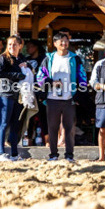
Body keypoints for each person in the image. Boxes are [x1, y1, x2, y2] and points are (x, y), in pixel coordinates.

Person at [37, 31, 88, 163]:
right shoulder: (48, 58)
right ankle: (53, 154)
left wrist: (79, 95)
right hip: (52, 98)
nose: (64, 43)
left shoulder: (74, 58)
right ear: (55, 44)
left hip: (69, 98)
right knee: (52, 127)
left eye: (66, 41)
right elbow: (40, 76)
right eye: (61, 41)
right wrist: (49, 83)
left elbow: (82, 76)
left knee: (69, 128)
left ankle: (69, 155)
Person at [0, 34, 28, 161]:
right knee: (3, 123)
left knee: (15, 125)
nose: (11, 46)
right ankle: (1, 153)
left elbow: (29, 69)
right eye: (9, 44)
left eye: (14, 44)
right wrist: (16, 75)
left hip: (18, 95)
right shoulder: (3, 58)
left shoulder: (21, 59)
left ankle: (14, 154)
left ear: (20, 46)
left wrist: (28, 68)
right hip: (5, 93)